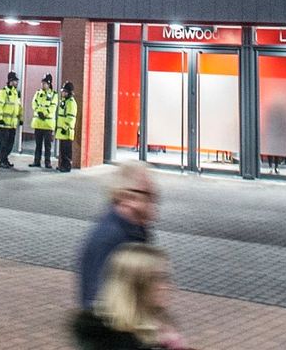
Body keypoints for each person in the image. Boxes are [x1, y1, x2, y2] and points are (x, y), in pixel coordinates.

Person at [72, 245, 190, 349]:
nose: (168, 287)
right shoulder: (119, 341)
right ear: (133, 286)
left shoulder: (157, 322)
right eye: (157, 279)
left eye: (167, 278)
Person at [77, 161, 157, 310]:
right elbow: (96, 302)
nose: (153, 202)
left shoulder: (135, 231)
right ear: (126, 196)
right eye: (148, 195)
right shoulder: (110, 239)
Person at [31, 74, 59, 169]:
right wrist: (39, 112)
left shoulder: (54, 95)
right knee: (38, 145)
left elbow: (53, 107)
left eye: (44, 83)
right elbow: (34, 103)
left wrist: (44, 113)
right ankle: (36, 161)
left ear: (49, 84)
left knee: (47, 145)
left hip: (48, 124)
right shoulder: (38, 93)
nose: (42, 84)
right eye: (42, 83)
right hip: (38, 123)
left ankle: (48, 162)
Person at [0, 71, 22, 168]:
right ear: (11, 81)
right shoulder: (3, 92)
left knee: (10, 144)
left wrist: (20, 117)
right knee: (4, 144)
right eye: (15, 81)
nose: (17, 82)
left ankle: (5, 159)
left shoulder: (16, 93)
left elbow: (19, 107)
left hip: (12, 124)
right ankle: (2, 161)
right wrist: (0, 118)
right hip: (4, 123)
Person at [56, 81, 79, 172]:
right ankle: (62, 165)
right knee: (62, 150)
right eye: (63, 91)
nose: (63, 93)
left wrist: (64, 128)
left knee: (66, 150)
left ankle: (67, 166)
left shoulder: (71, 103)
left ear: (69, 93)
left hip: (66, 131)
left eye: (65, 92)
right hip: (62, 130)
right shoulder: (65, 101)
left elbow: (70, 117)